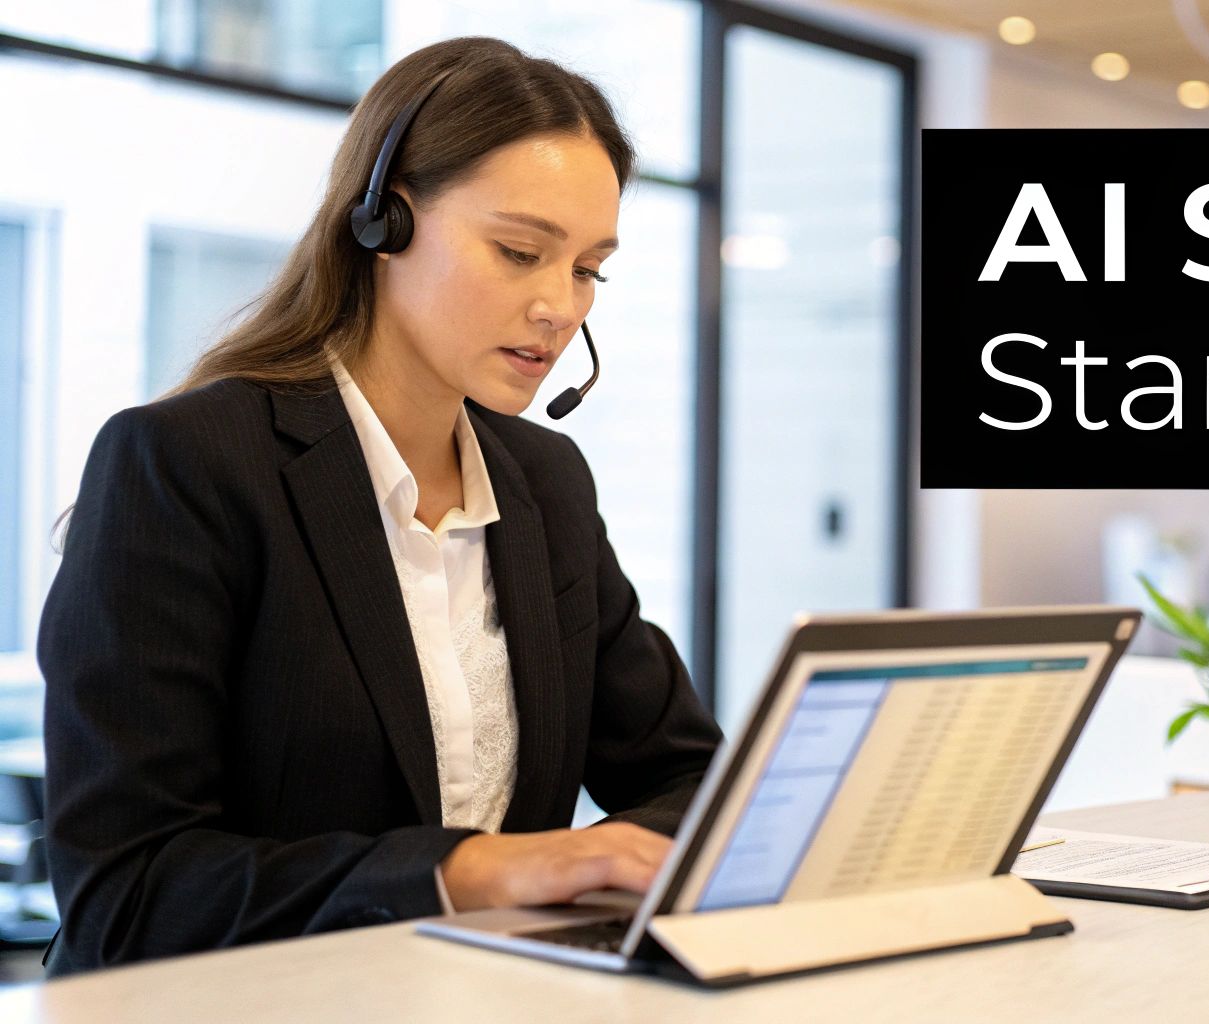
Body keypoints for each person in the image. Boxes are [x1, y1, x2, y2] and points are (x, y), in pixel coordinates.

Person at [35, 37, 722, 976]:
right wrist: (469, 874)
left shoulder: (545, 485)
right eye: (521, 251)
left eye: (588, 268)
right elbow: (129, 892)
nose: (561, 307)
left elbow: (690, 778)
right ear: (382, 223)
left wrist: (608, 861)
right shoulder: (187, 464)